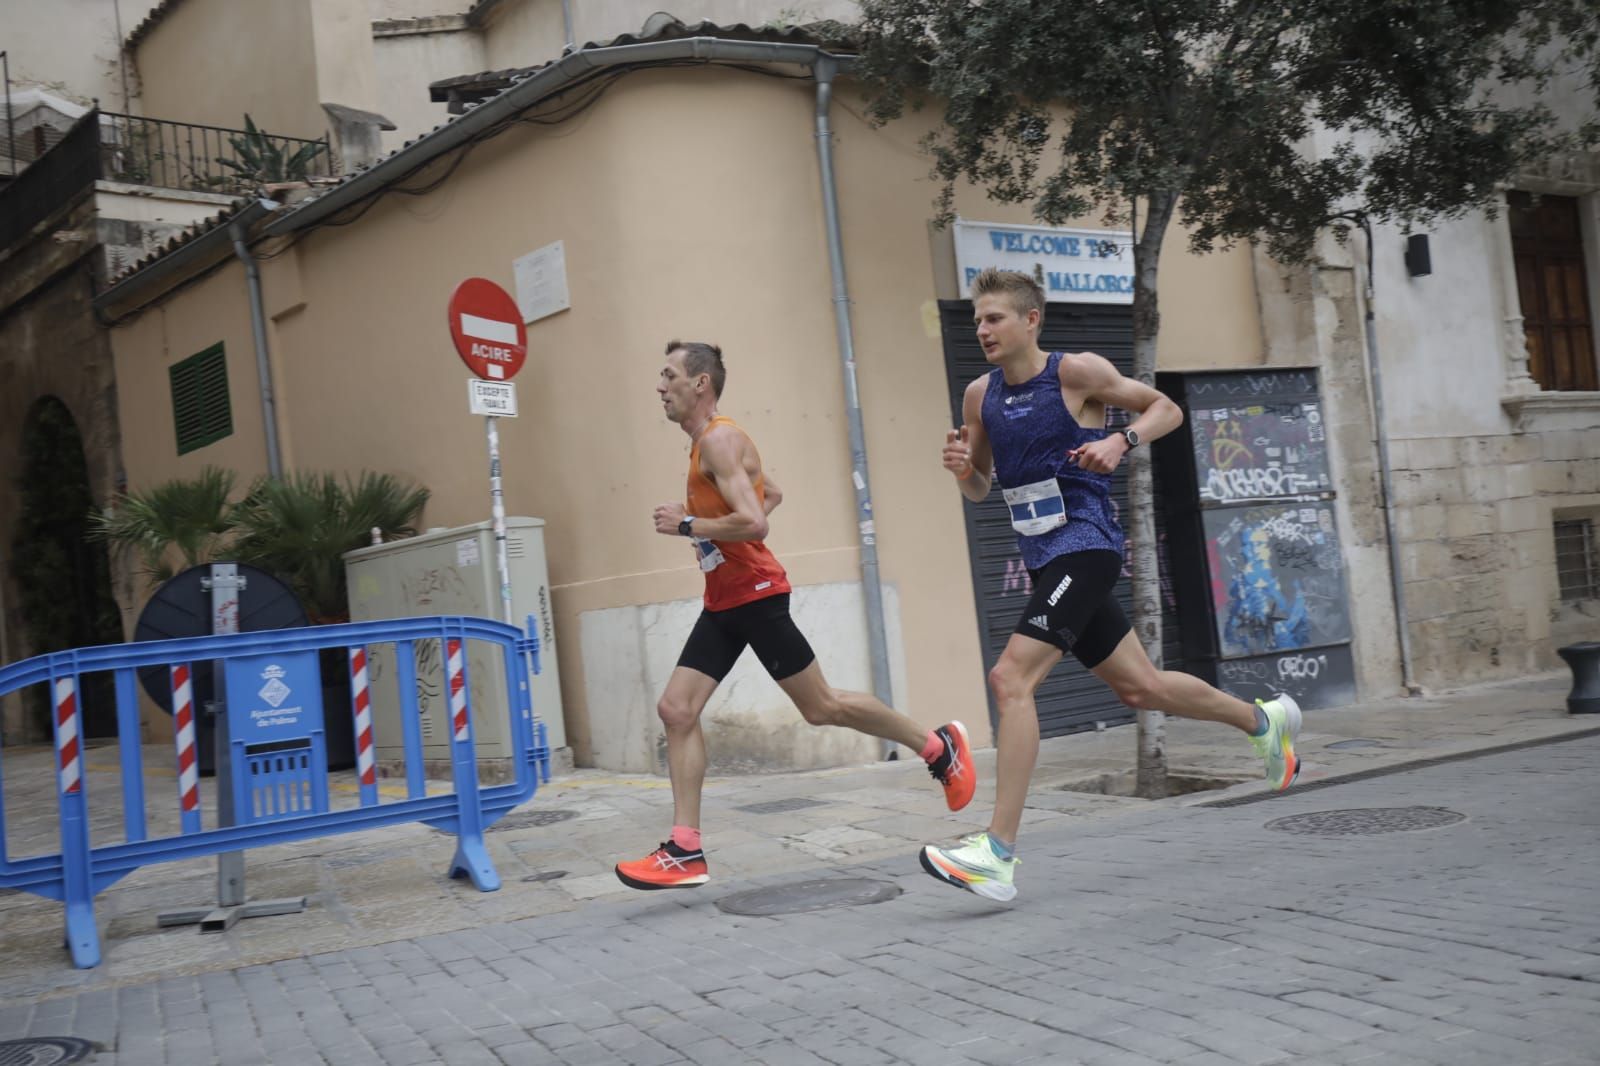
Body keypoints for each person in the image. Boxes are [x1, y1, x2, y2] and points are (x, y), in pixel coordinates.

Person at [919, 269, 1301, 903]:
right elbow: (983, 486)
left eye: (994, 318)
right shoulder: (978, 396)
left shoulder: (1077, 373)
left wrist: (1120, 442)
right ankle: (1264, 721)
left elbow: (1166, 409)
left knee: (1009, 679)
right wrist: (963, 471)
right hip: (1046, 558)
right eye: (978, 320)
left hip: (1088, 546)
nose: (981, 330)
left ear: (1030, 320)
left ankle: (995, 852)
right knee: (1140, 686)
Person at [615, 340, 978, 890]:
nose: (659, 387)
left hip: (756, 595)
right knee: (676, 709)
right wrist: (712, 526)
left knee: (821, 707)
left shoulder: (718, 439)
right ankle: (684, 850)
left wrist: (690, 525)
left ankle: (937, 746)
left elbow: (756, 521)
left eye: (669, 376)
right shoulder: (708, 445)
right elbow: (773, 492)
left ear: (700, 385)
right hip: (726, 599)